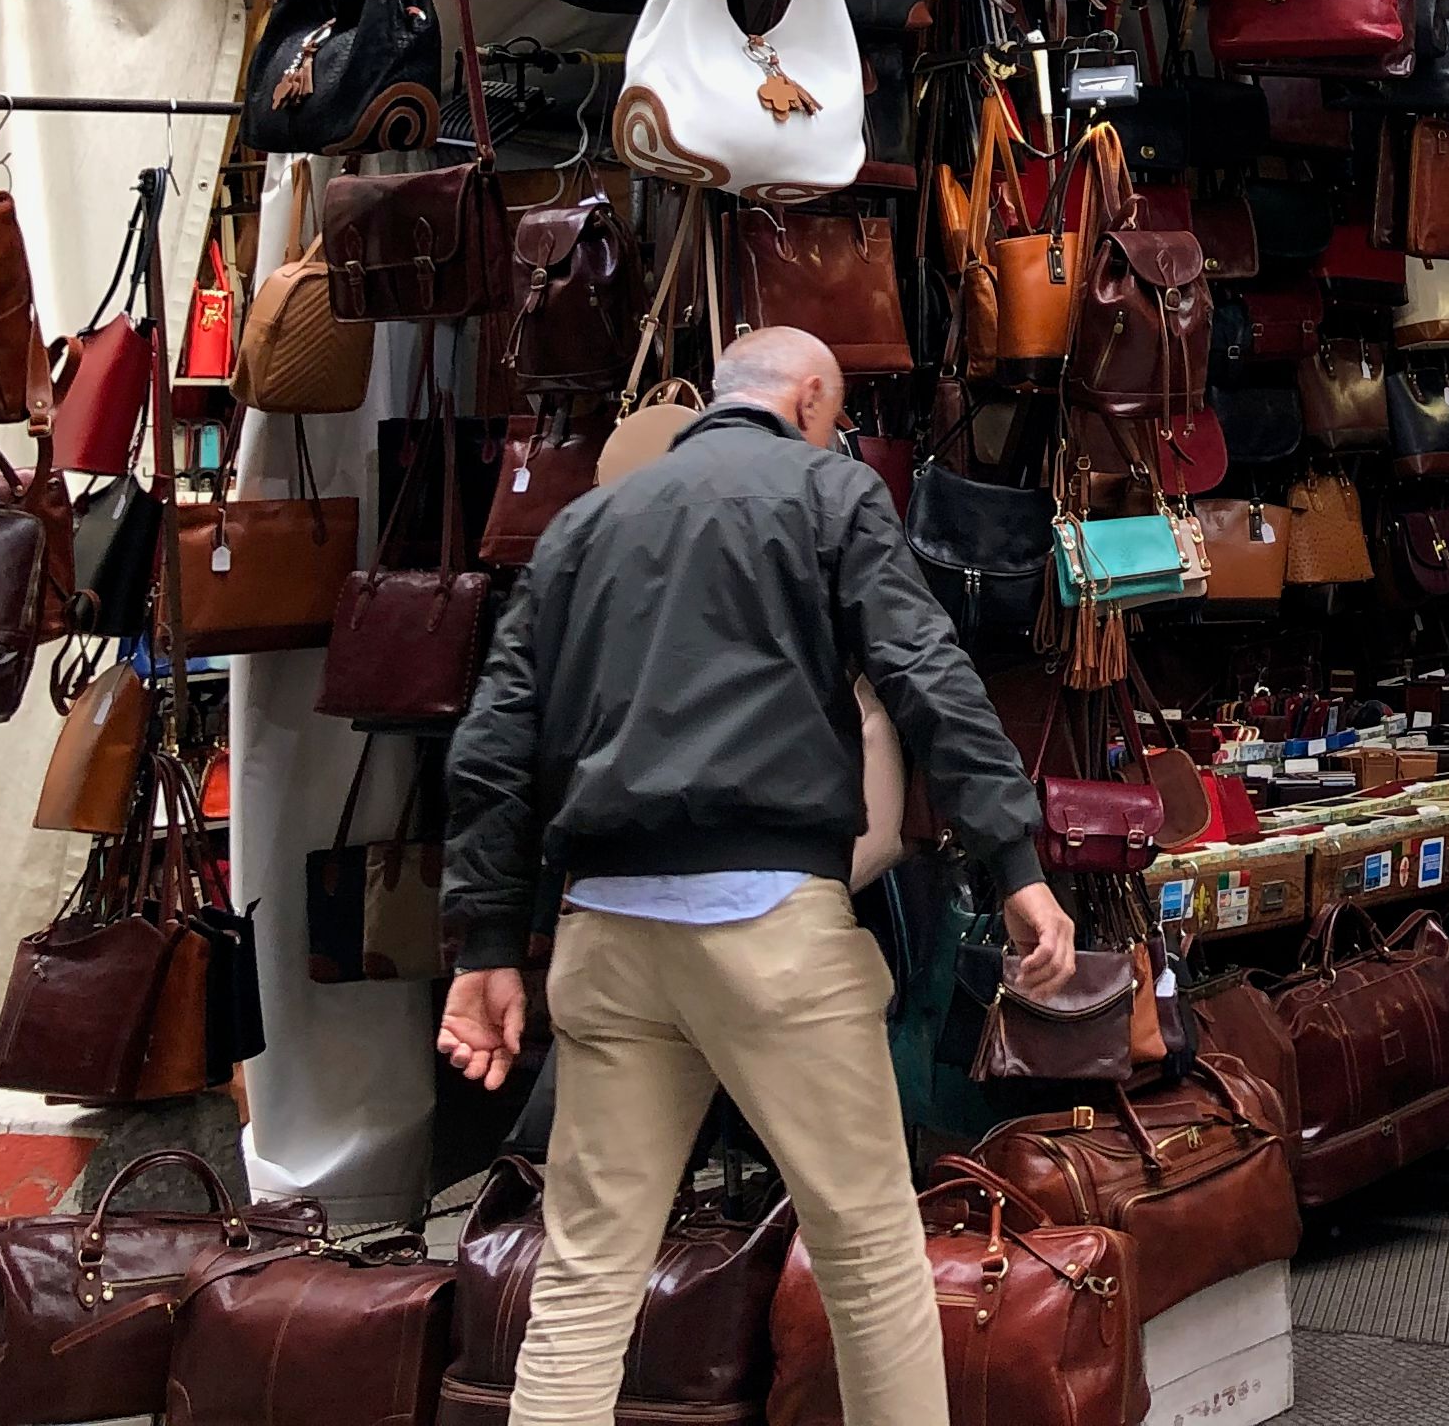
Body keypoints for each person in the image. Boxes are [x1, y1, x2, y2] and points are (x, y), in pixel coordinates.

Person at [440, 326, 1076, 1426]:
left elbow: (492, 746)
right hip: (770, 926)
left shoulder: (583, 526)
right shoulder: (829, 493)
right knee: (870, 1255)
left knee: (586, 1274)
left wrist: (486, 946)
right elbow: (926, 671)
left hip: (606, 934)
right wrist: (1014, 863)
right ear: (812, 398)